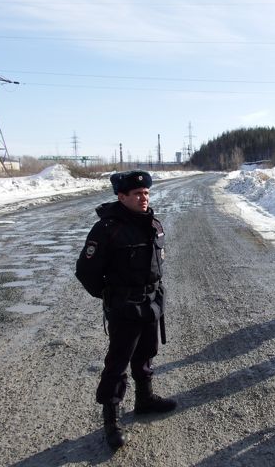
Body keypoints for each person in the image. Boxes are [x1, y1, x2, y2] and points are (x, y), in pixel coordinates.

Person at [76, 170, 177, 450]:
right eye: (137, 194)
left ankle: (144, 400)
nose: (144, 198)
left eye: (146, 193)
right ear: (122, 197)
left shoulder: (153, 224)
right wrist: (110, 295)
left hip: (151, 303)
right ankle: (111, 418)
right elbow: (86, 271)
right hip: (124, 306)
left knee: (146, 354)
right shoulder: (107, 229)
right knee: (118, 363)